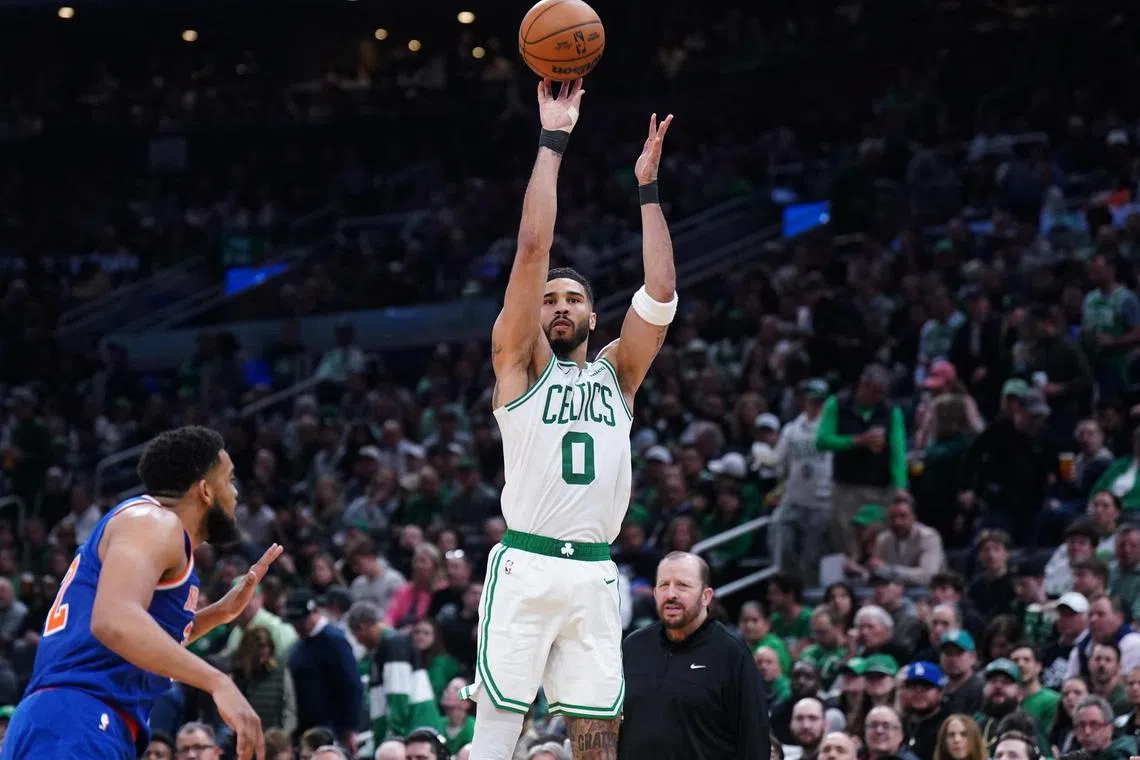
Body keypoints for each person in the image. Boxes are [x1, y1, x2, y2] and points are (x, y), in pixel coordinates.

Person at [463, 76, 679, 760]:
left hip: (592, 571)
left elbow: (662, 293)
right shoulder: (520, 367)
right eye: (550, 298)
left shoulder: (618, 375)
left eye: (572, 298)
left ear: (592, 315)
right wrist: (553, 141)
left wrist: (646, 189)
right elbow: (532, 250)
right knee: (497, 730)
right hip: (525, 564)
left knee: (597, 739)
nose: (557, 304)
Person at [1, 426, 279, 760]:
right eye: (230, 479)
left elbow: (134, 642)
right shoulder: (154, 521)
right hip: (79, 719)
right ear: (205, 490)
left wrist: (218, 615)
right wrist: (218, 681)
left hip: (74, 719)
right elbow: (114, 622)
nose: (235, 493)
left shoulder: (154, 534)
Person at [618, 552, 769, 759]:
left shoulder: (731, 654)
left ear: (706, 596)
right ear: (654, 593)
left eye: (682, 585)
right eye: (664, 585)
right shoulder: (633, 646)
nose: (671, 594)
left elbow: (754, 743)